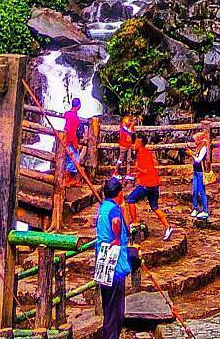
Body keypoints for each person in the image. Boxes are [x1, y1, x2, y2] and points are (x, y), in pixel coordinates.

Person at [94, 177, 139, 339]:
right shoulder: (114, 209)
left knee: (110, 310)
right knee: (116, 313)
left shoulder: (102, 208)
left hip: (103, 262)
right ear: (119, 194)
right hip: (114, 265)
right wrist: (118, 238)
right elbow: (116, 221)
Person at [126, 133, 174, 241]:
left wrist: (138, 168)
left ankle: (134, 223)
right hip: (155, 184)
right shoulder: (146, 153)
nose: (134, 144)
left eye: (136, 142)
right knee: (154, 207)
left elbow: (147, 170)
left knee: (130, 199)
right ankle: (167, 227)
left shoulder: (142, 153)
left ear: (140, 143)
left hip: (147, 185)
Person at [188, 128, 210, 221]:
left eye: (196, 140)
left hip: (201, 172)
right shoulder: (198, 148)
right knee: (194, 191)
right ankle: (195, 208)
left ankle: (205, 210)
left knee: (201, 192)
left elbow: (198, 159)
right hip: (195, 172)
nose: (195, 142)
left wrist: (191, 154)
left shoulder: (204, 148)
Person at [63, 97, 83, 180]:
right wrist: (75, 143)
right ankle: (67, 178)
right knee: (75, 160)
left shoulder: (67, 114)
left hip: (65, 138)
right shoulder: (75, 118)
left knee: (69, 159)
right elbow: (72, 131)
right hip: (70, 140)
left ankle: (68, 178)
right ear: (78, 106)